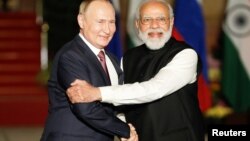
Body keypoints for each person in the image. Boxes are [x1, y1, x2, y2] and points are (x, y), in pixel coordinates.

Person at [67, 0, 205, 141]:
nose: (154, 25)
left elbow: (155, 89)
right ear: (137, 24)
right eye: (147, 20)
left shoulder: (186, 54)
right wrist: (124, 128)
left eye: (161, 19)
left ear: (171, 22)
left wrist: (96, 93)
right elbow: (119, 103)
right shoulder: (127, 58)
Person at [40, 0, 138, 141]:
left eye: (111, 22)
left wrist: (123, 122)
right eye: (100, 21)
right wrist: (124, 130)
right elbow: (85, 108)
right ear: (81, 21)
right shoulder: (70, 56)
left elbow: (116, 103)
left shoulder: (112, 60)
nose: (107, 29)